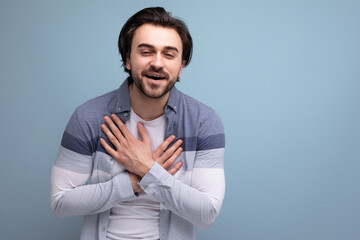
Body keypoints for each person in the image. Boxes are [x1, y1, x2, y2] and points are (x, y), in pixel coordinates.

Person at [50, 7, 225, 240]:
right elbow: (60, 202)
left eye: (169, 54)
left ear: (181, 65)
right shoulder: (89, 117)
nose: (157, 63)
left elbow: (206, 214)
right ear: (127, 59)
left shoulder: (204, 122)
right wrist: (132, 181)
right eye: (146, 52)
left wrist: (145, 168)